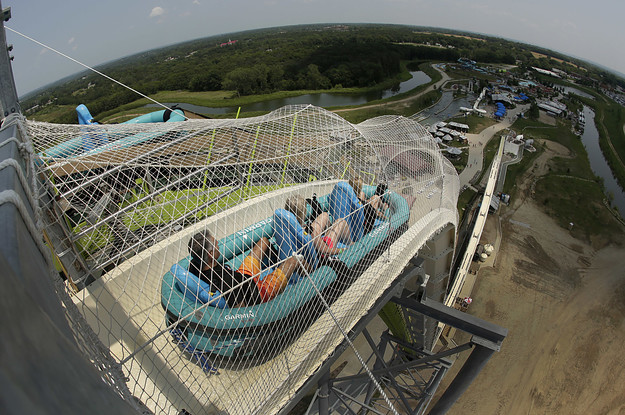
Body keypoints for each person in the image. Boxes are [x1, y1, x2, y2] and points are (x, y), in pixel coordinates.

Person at [188, 230, 309, 308]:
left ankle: (277, 265)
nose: (219, 243)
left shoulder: (195, 265)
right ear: (210, 254)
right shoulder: (227, 283)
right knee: (295, 260)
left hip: (242, 276)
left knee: (264, 242)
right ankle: (315, 273)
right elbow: (241, 311)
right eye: (216, 244)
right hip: (259, 292)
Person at [284, 194, 351, 257]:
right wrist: (344, 250)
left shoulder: (286, 229)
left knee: (325, 215)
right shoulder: (309, 231)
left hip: (312, 249)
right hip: (323, 254)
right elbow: (326, 251)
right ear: (304, 211)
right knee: (341, 222)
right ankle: (351, 244)